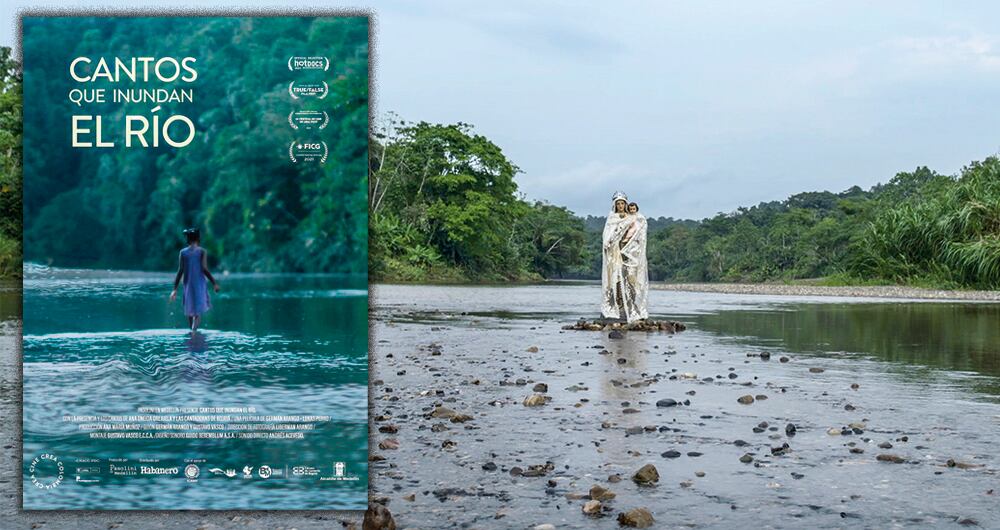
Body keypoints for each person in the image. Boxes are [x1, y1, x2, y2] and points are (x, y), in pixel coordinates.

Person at [601, 192, 647, 323]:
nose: (620, 206)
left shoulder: (631, 216)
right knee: (616, 277)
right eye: (618, 204)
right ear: (615, 205)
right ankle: (618, 305)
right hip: (615, 251)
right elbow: (608, 234)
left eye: (622, 203)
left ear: (625, 204)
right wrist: (609, 242)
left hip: (629, 251)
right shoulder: (612, 218)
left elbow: (640, 228)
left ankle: (631, 306)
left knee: (630, 277)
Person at [169, 228, 220, 331]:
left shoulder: (183, 252)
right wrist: (214, 283)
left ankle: (192, 332)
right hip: (199, 285)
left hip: (188, 285)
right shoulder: (202, 251)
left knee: (189, 310)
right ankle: (193, 332)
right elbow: (204, 269)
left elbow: (180, 271)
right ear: (198, 239)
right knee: (197, 313)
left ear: (187, 239)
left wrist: (174, 289)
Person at [619, 202, 649, 321]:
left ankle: (634, 303)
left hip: (635, 248)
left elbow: (641, 233)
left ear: (636, 209)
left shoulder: (641, 219)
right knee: (625, 272)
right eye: (630, 208)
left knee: (633, 275)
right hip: (625, 245)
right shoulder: (626, 218)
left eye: (633, 208)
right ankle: (624, 302)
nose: (632, 209)